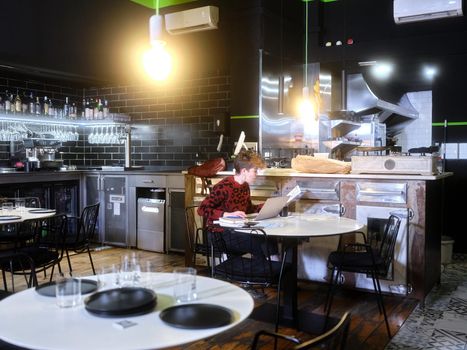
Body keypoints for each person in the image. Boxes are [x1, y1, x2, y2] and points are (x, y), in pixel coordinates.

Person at [198, 149, 279, 260]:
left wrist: (268, 206)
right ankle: (264, 274)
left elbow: (248, 209)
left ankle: (271, 273)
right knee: (259, 241)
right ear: (244, 171)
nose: (256, 174)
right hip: (219, 234)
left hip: (236, 231)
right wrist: (227, 214)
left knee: (267, 239)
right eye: (255, 171)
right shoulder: (223, 187)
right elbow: (202, 209)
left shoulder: (245, 186)